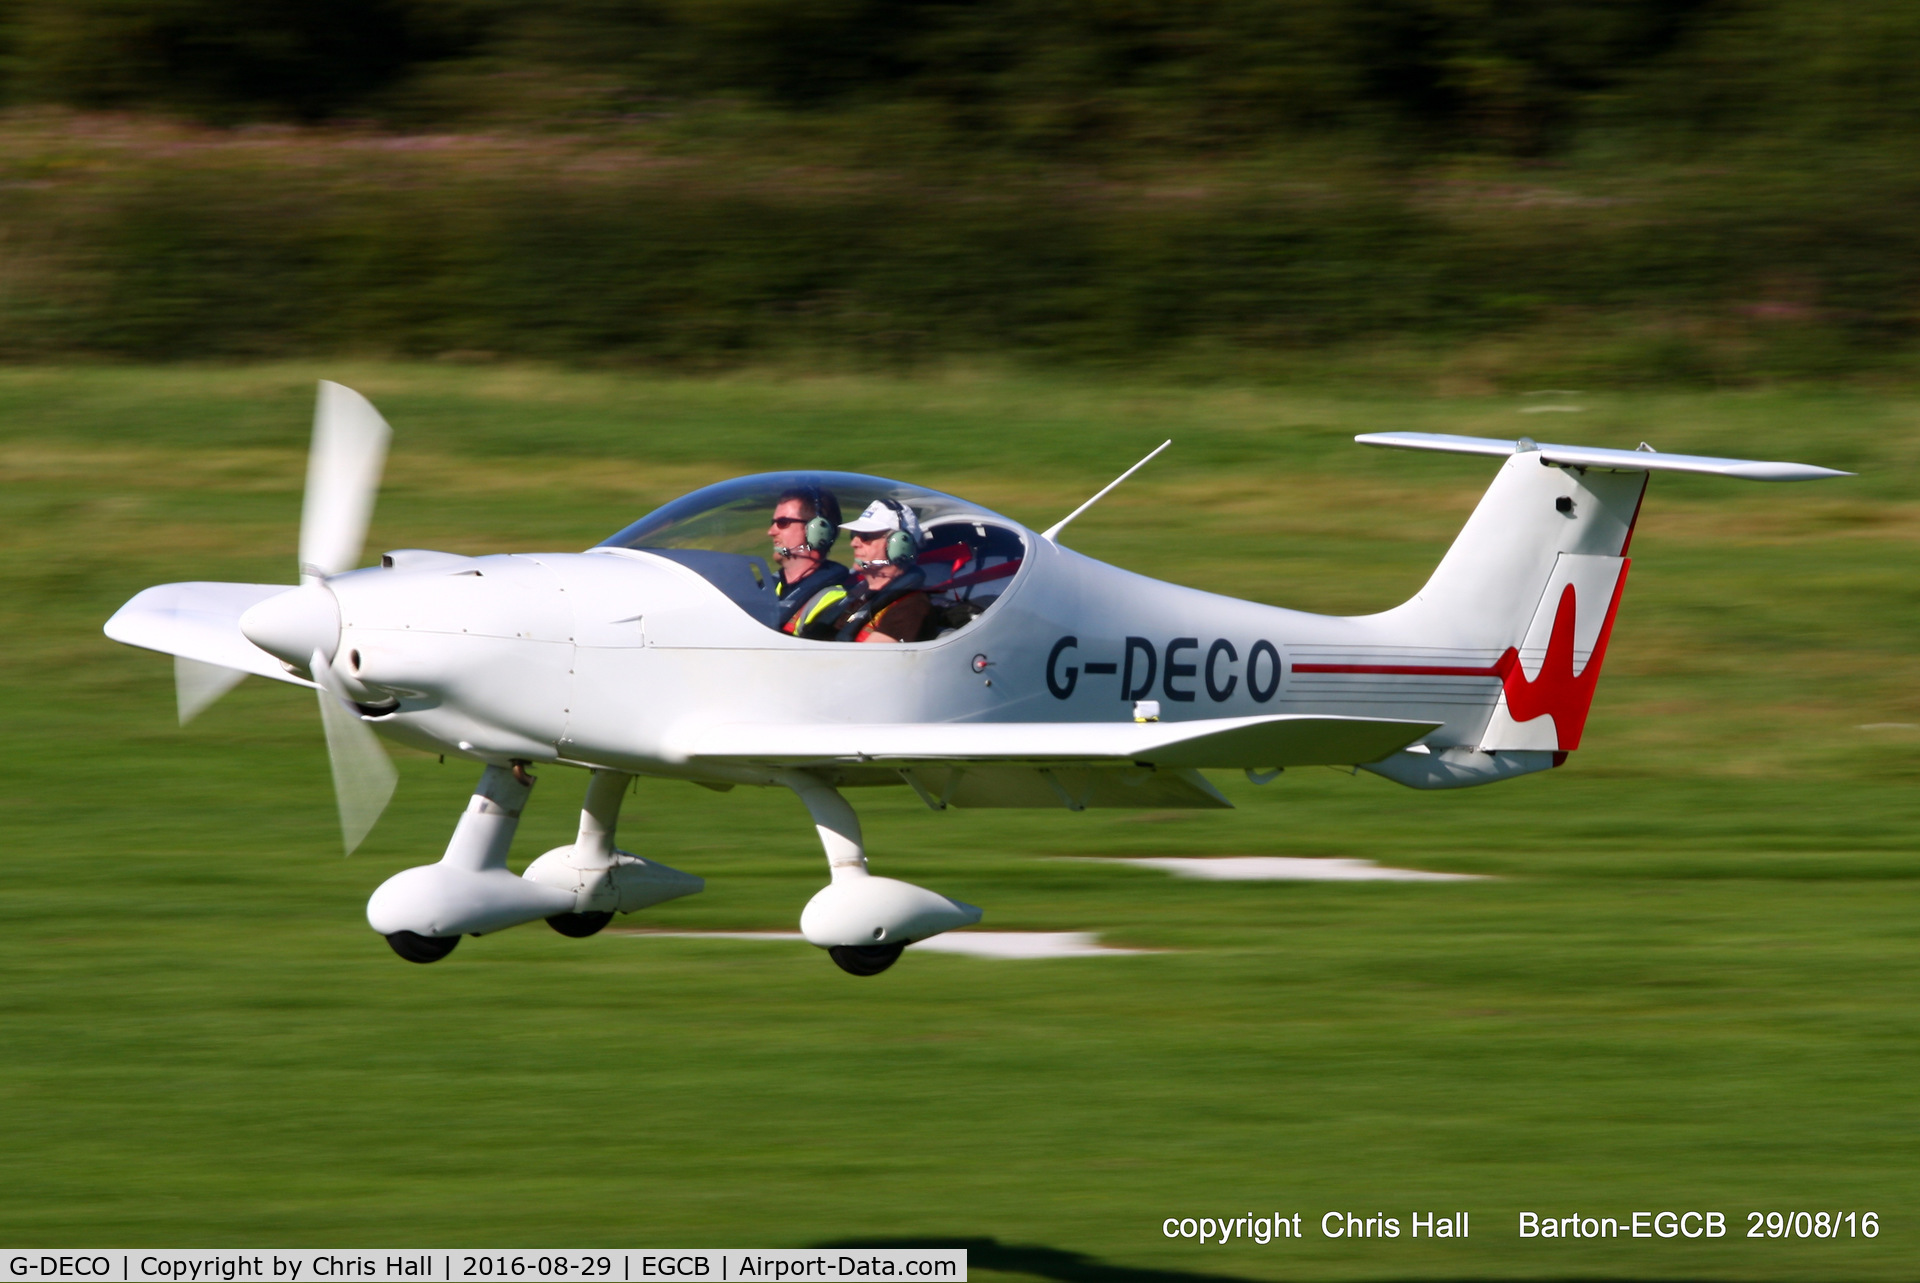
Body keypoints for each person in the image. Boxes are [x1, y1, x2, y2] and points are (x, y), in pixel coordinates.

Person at [826, 498, 931, 643]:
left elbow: (865, 662)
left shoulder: (910, 608)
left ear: (899, 545)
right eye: (854, 535)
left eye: (866, 537)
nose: (854, 543)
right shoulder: (860, 595)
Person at [766, 486, 852, 635]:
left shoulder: (837, 602)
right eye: (772, 522)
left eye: (783, 522)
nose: (771, 532)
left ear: (816, 531)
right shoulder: (766, 587)